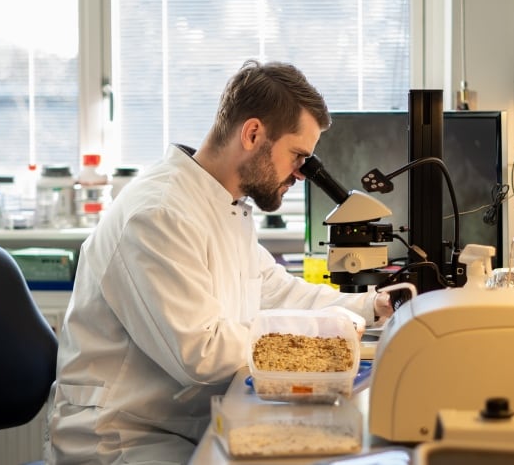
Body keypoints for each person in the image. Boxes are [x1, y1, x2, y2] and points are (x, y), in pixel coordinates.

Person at [45, 59, 394, 464]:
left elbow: (275, 291)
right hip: (123, 438)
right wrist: (327, 342)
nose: (302, 174)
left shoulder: (224, 205)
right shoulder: (159, 214)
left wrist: (370, 307)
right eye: (298, 156)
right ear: (252, 133)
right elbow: (202, 354)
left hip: (185, 424)